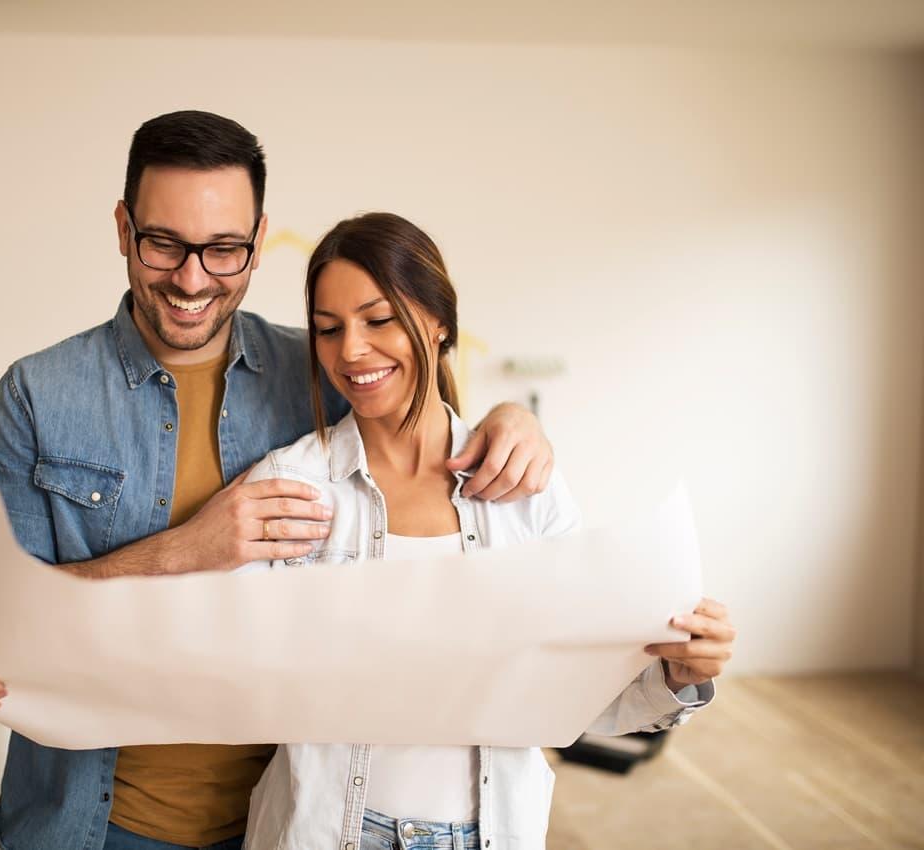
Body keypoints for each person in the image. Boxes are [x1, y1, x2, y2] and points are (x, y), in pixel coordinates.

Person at [0, 111, 557, 850]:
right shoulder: (38, 394)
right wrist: (179, 552)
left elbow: (420, 424)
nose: (191, 279)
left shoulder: (319, 372)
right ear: (124, 228)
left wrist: (513, 418)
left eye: (224, 248)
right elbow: (8, 620)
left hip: (283, 818)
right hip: (95, 822)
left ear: (260, 241)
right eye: (163, 242)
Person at [235, 211, 736, 850]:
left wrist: (680, 672)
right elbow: (220, 674)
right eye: (328, 330)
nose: (350, 350)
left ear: (439, 322)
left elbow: (585, 699)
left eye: (378, 319)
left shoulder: (528, 488)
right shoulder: (289, 485)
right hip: (324, 833)